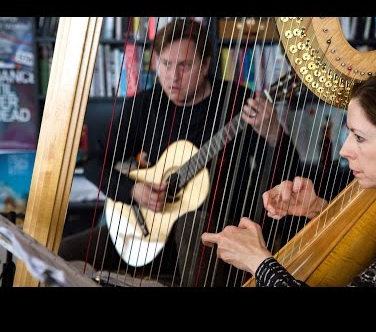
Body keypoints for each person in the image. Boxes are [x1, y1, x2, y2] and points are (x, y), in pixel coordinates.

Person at [59, 18, 300, 286]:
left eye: (184, 66)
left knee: (192, 222)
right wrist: (134, 191)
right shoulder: (145, 105)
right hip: (143, 227)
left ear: (206, 64)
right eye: (165, 64)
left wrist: (273, 131)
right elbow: (94, 164)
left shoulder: (239, 102)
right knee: (58, 253)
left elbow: (287, 173)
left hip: (213, 233)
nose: (173, 77)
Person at [202, 68, 376, 287]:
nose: (345, 150)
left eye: (360, 138)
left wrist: (257, 261)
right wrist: (318, 210)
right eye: (349, 133)